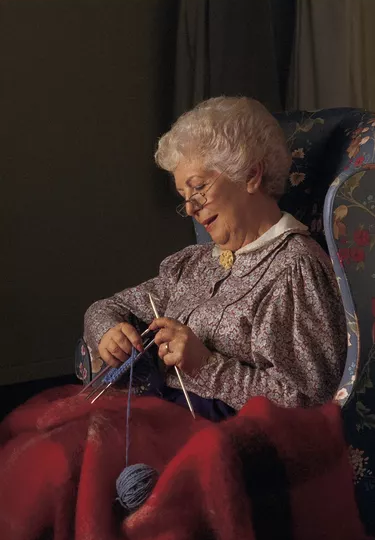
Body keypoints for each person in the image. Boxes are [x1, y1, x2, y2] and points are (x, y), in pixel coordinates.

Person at [82, 96, 347, 419]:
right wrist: (109, 332)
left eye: (199, 188)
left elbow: (309, 402)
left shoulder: (296, 269)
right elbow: (106, 308)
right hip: (160, 422)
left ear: (251, 174)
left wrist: (206, 366)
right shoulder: (192, 264)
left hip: (233, 445)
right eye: (184, 197)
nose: (191, 208)